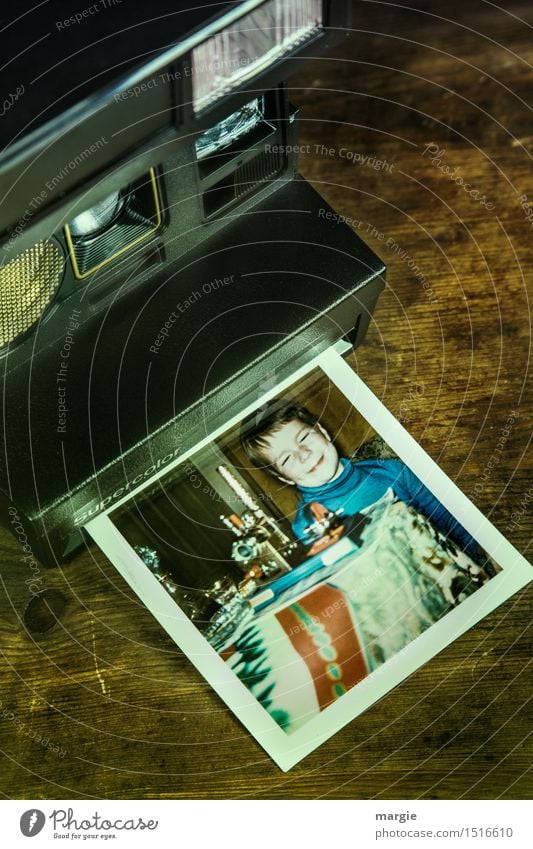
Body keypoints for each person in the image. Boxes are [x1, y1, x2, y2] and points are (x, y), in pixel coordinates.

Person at [240, 399, 479, 557]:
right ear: (282, 476)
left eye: (303, 438)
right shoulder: (308, 522)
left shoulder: (391, 470)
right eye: (286, 460)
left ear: (322, 431)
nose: (303, 454)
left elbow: (449, 520)